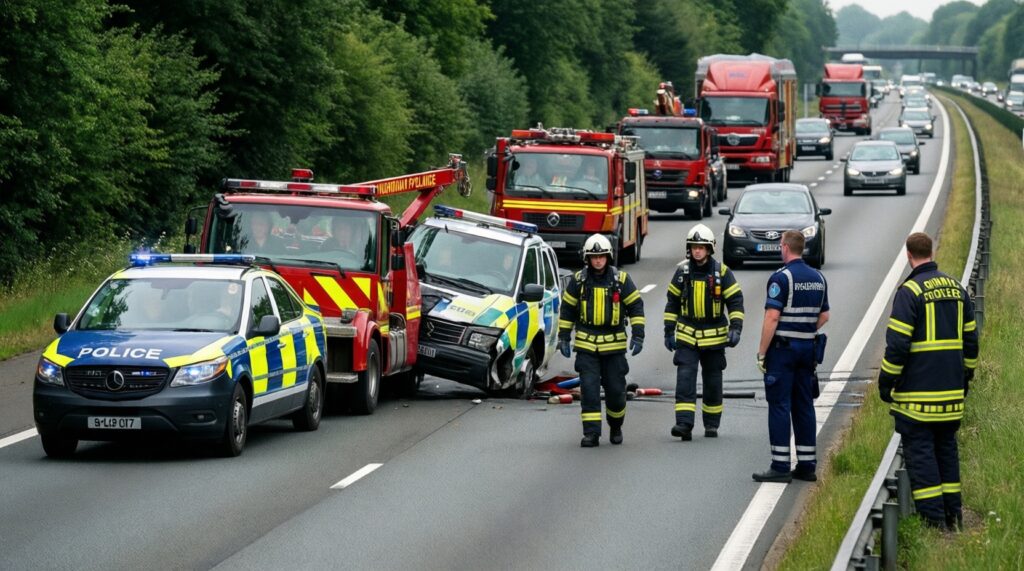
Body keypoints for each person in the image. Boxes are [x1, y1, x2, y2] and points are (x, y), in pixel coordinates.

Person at [878, 232, 979, 530]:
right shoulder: (956, 288)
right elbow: (971, 341)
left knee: (921, 456)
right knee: (947, 451)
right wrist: (966, 376)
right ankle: (953, 515)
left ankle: (934, 522)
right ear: (931, 252)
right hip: (951, 396)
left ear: (908, 256)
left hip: (917, 399)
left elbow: (897, 346)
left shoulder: (909, 292)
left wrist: (887, 382)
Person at [753, 230, 829, 483]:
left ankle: (780, 465)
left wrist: (762, 352)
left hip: (783, 351)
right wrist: (805, 329)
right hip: (808, 349)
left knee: (779, 405)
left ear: (785, 247)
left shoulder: (781, 278)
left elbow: (772, 317)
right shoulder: (818, 278)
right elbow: (824, 316)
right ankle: (807, 465)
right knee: (804, 404)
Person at [558, 234, 645, 447]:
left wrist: (638, 334)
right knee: (589, 391)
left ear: (608, 257)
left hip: (614, 348)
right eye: (594, 257)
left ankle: (616, 425)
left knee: (616, 392)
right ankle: (592, 434)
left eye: (602, 256)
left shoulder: (621, 280)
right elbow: (567, 310)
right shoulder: (578, 281)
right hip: (587, 346)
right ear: (587, 258)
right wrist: (563, 337)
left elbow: (636, 307)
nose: (598, 260)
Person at [663, 223, 744, 441]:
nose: (697, 250)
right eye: (694, 247)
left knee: (712, 382)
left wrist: (736, 327)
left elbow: (735, 301)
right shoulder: (682, 273)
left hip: (715, 338)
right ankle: (684, 424)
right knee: (685, 379)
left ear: (709, 249)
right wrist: (668, 330)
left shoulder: (722, 273)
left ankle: (711, 424)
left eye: (701, 247)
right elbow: (672, 303)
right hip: (688, 336)